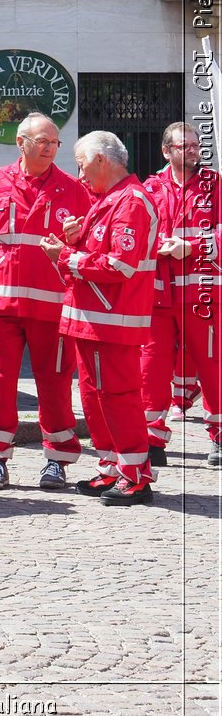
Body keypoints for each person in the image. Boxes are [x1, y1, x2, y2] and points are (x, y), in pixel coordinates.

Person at [0, 115, 90, 491]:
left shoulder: (73, 190)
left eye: (55, 142)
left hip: (54, 309)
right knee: (1, 383)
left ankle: (58, 460)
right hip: (2, 308)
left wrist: (76, 240)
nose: (50, 147)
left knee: (55, 384)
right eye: (42, 140)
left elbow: (89, 248)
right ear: (21, 142)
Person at [42, 131, 160, 506]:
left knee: (118, 397)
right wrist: (72, 244)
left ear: (100, 161)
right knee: (94, 398)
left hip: (114, 319)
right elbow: (97, 255)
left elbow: (119, 265)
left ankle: (136, 476)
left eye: (81, 165)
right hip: (93, 318)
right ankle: (112, 465)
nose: (79, 176)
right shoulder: (108, 200)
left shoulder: (132, 202)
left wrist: (66, 255)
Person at [142, 123, 221, 468]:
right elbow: (136, 230)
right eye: (183, 146)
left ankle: (218, 437)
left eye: (195, 145)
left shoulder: (215, 186)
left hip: (203, 294)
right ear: (166, 151)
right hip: (158, 297)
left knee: (213, 367)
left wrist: (192, 247)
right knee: (152, 369)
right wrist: (159, 247)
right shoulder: (149, 188)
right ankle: (151, 438)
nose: (191, 151)